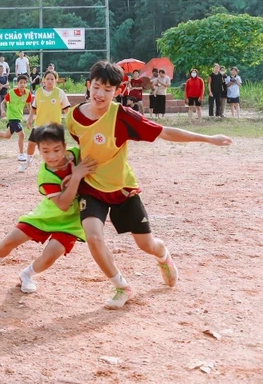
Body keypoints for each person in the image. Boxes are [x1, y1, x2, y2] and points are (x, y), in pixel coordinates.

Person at [67, 61, 232, 309]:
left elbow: (164, 132)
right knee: (93, 237)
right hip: (92, 188)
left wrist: (208, 138)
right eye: (97, 87)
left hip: (122, 189)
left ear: (118, 91)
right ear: (88, 85)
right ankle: (122, 286)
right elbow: (79, 145)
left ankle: (164, 256)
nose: (100, 94)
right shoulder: (73, 116)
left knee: (146, 245)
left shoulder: (122, 116)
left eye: (108, 89)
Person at [0, 124, 97, 293]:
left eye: (57, 150)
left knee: (51, 255)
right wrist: (77, 176)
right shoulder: (46, 174)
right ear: (39, 151)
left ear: (65, 146)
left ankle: (26, 275)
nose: (52, 155)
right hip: (46, 215)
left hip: (72, 222)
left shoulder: (76, 155)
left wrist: (74, 174)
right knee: (10, 240)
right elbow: (63, 204)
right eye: (45, 151)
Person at [22, 71, 71, 173]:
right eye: (47, 79)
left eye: (52, 79)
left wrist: (71, 120)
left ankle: (59, 165)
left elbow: (67, 109)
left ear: (56, 81)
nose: (49, 81)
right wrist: (30, 119)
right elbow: (34, 108)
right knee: (31, 144)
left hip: (54, 126)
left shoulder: (59, 93)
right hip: (39, 124)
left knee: (55, 147)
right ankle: (28, 161)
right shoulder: (39, 92)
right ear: (44, 80)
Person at [0, 74, 33, 162]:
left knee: (7, 136)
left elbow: (29, 106)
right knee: (22, 134)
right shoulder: (11, 93)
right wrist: (2, 111)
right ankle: (21, 154)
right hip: (12, 117)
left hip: (18, 117)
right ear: (17, 83)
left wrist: (31, 116)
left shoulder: (28, 93)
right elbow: (2, 103)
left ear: (26, 84)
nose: (22, 84)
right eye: (21, 82)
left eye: (24, 83)